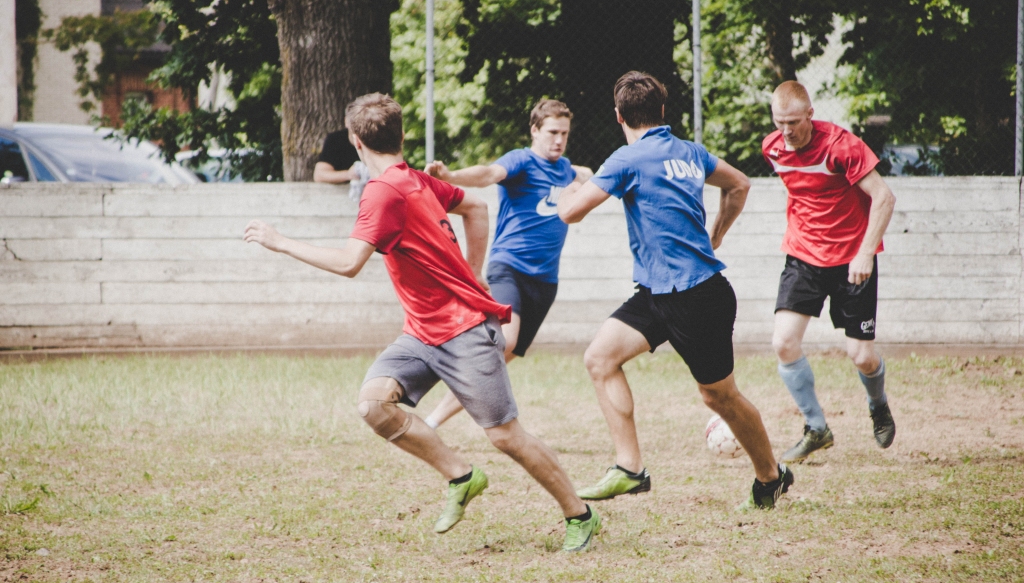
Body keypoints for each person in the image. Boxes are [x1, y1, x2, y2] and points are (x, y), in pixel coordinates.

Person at [244, 93, 601, 552]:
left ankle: (580, 514)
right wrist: (473, 271)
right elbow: (476, 207)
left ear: (355, 141)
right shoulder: (413, 179)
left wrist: (280, 242)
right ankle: (461, 475)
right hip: (421, 332)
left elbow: (350, 262)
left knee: (505, 436)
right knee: (374, 405)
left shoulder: (383, 191)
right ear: (402, 136)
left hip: (465, 330)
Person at [557, 71, 794, 510]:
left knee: (719, 396)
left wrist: (562, 191)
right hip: (656, 292)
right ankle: (630, 468)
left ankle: (771, 476)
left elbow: (571, 212)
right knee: (600, 359)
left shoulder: (627, 159)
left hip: (696, 296)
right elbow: (739, 184)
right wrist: (716, 234)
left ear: (619, 116)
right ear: (662, 111)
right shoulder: (690, 152)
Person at [421, 99, 593, 429]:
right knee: (506, 341)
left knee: (498, 360)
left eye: (564, 133)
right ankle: (450, 360)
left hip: (546, 281)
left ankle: (431, 421)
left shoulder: (566, 169)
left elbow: (586, 174)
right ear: (535, 130)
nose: (559, 140)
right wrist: (451, 176)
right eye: (552, 132)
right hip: (509, 268)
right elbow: (488, 174)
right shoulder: (521, 161)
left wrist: (589, 177)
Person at [762, 81, 897, 463]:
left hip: (852, 259)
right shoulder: (772, 148)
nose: (786, 131)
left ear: (810, 114)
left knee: (861, 357)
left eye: (793, 122)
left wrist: (866, 253)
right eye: (779, 122)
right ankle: (816, 427)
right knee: (783, 343)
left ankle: (878, 405)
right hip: (803, 257)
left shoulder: (842, 146)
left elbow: (884, 197)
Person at [313, 127, 369, 201]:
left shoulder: (377, 137)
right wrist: (349, 174)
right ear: (346, 122)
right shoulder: (336, 139)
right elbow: (319, 175)